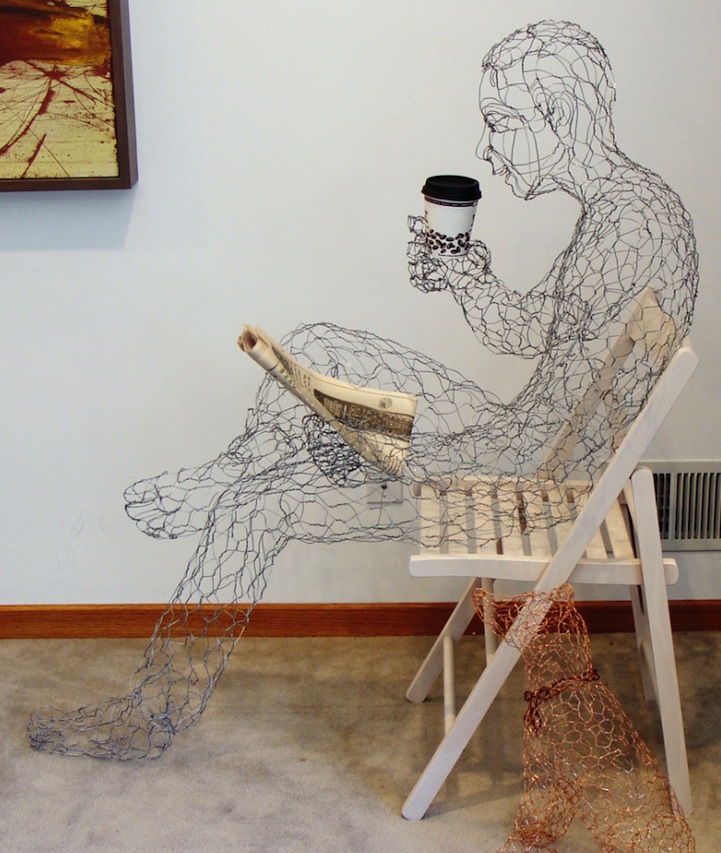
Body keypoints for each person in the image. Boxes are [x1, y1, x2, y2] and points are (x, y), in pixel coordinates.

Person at [28, 20, 697, 760]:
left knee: (257, 507)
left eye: (501, 121)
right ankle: (223, 475)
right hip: (526, 443)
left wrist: (382, 446)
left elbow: (527, 447)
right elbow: (534, 330)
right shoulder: (627, 209)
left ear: (558, 114)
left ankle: (150, 714)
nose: (487, 147)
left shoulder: (631, 226)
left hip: (534, 482)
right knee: (315, 346)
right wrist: (464, 275)